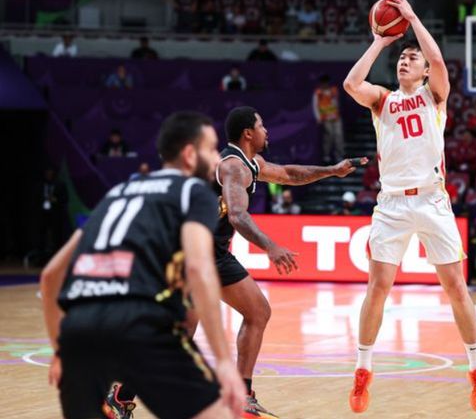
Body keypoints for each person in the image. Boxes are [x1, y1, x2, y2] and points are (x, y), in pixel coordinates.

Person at [39, 111, 246, 419]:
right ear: (190, 154)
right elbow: (198, 270)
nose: (218, 158)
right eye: (212, 148)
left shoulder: (117, 193)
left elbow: (49, 276)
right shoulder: (193, 192)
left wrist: (61, 351)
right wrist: (224, 362)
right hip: (142, 323)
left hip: (80, 332)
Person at [342, 0, 476, 415]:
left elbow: (439, 60)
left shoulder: (434, 96)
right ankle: (363, 370)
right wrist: (380, 41)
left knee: (455, 287)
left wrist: (413, 18)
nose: (406, 61)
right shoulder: (382, 99)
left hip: (431, 199)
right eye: (403, 57)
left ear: (424, 70)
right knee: (378, 287)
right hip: (391, 203)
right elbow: (351, 84)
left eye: (413, 57)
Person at [210, 106, 367, 417]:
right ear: (248, 134)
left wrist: (332, 170)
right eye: (261, 125)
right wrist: (270, 246)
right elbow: (238, 215)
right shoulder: (233, 167)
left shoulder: (251, 163)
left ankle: (241, 395)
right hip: (194, 252)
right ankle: (120, 395)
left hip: (210, 251)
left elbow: (288, 174)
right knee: (182, 334)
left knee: (256, 312)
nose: (266, 130)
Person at [313, 74, 344, 164]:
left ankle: (339, 155)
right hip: (326, 118)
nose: (325, 84)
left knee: (338, 136)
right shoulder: (318, 92)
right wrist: (318, 117)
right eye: (323, 83)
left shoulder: (333, 90)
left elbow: (336, 102)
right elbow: (315, 105)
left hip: (336, 117)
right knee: (328, 137)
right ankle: (326, 155)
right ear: (321, 83)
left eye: (326, 83)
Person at [39, 167, 68, 254]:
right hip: (43, 214)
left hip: (56, 214)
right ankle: (43, 253)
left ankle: (57, 253)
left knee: (57, 234)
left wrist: (56, 200)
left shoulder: (60, 184)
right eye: (47, 172)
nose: (48, 174)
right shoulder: (40, 185)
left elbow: (65, 198)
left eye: (50, 172)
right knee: (43, 234)